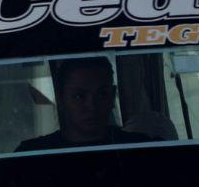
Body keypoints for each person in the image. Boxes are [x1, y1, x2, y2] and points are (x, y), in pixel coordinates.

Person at [16, 57, 154, 151]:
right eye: (79, 96)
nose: (92, 106)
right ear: (61, 98)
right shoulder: (31, 154)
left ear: (112, 96)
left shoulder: (142, 148)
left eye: (101, 94)